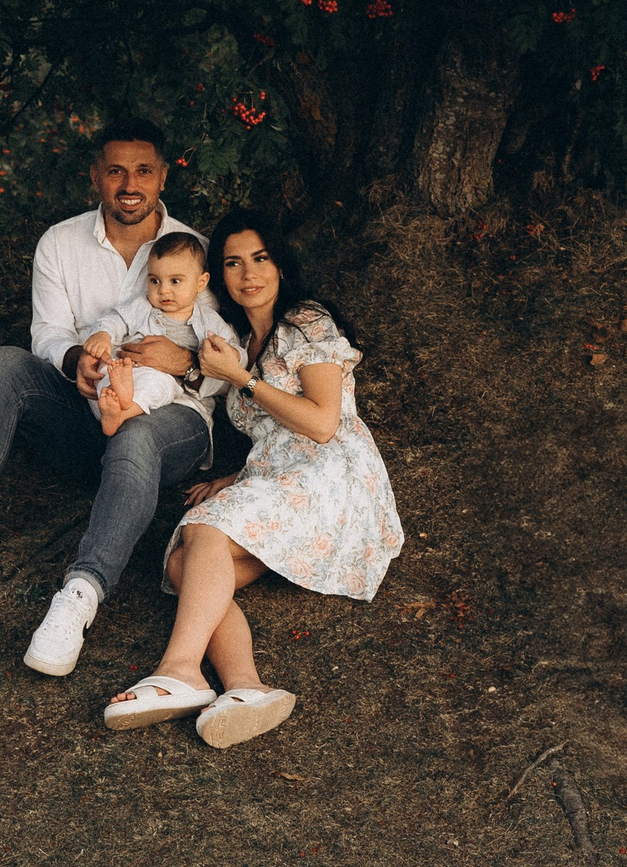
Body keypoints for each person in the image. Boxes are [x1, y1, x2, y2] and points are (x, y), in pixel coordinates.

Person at [0, 117, 220, 676]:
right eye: (116, 171)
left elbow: (230, 353)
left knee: (136, 433)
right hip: (86, 411)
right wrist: (78, 360)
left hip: (172, 420)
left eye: (143, 171)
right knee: (0, 363)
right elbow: (48, 332)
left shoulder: (198, 252)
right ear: (95, 176)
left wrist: (186, 363)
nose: (130, 184)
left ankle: (80, 594)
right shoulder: (59, 242)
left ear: (163, 177)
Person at [102, 209, 403, 747]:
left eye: (260, 258)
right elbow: (272, 433)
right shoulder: (236, 340)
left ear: (280, 264)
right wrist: (238, 475)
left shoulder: (306, 322)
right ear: (218, 276)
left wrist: (239, 378)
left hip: (333, 475)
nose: (248, 274)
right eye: (233, 263)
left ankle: (179, 670)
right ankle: (246, 687)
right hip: (278, 474)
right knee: (181, 564)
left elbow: (321, 423)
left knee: (205, 530)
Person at [79, 231, 239, 436]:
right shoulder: (143, 306)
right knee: (105, 375)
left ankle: (121, 412)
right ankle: (116, 401)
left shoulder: (208, 321)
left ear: (201, 283)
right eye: (155, 281)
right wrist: (103, 333)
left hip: (159, 378)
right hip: (122, 368)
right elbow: (116, 318)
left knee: (160, 384)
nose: (163, 290)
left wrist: (234, 355)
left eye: (175, 281)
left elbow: (232, 353)